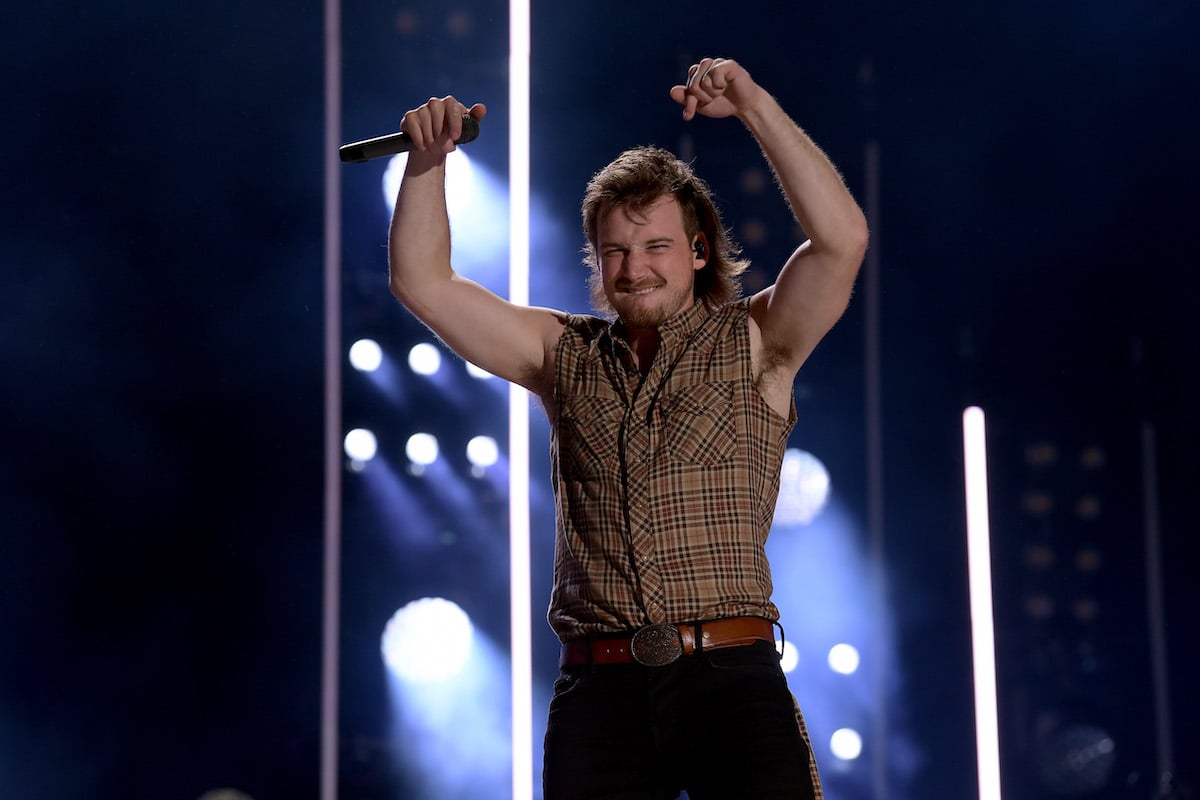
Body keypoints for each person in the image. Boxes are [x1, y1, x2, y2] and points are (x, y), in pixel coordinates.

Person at [389, 56, 867, 800]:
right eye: (615, 250)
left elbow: (841, 241)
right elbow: (424, 282)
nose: (634, 268)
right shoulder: (562, 354)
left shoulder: (756, 340)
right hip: (598, 697)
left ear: (699, 250)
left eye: (655, 247)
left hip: (732, 685)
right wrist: (426, 164)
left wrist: (750, 103)